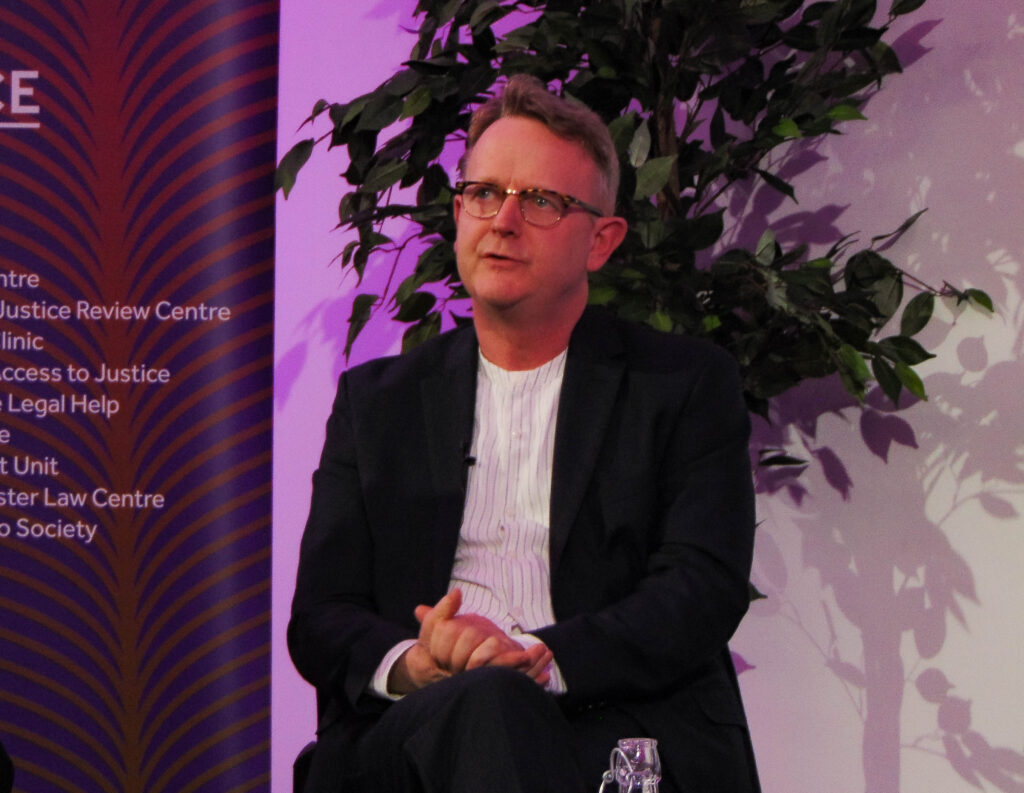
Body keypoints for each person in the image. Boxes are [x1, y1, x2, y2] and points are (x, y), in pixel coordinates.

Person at [289, 74, 761, 793]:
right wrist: (418, 661)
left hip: (615, 722)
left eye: (540, 200)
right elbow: (322, 616)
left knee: (499, 707)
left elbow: (702, 586)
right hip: (415, 732)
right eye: (484, 193)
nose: (503, 220)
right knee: (482, 708)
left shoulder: (685, 384)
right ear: (458, 214)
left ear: (601, 241)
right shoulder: (376, 401)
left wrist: (537, 656)